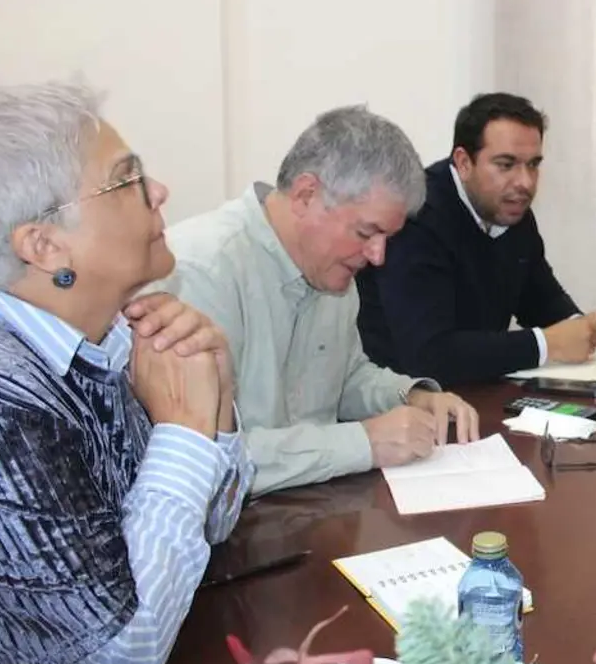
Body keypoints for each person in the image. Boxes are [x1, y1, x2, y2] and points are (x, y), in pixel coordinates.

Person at [0, 82, 254, 664]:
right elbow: (125, 650)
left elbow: (213, 527)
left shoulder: (110, 337)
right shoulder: (9, 401)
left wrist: (213, 399)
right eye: (128, 179)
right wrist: (184, 434)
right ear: (44, 245)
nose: (158, 191)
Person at [154, 105, 478, 496]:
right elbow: (202, 456)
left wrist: (411, 396)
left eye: (386, 239)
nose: (377, 256)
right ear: (306, 195)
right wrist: (364, 442)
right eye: (366, 233)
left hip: (313, 507)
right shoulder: (200, 271)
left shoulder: (332, 269)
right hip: (232, 526)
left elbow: (346, 377)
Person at [355, 92, 596, 387]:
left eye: (533, 164)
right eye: (506, 165)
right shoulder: (416, 216)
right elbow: (429, 355)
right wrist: (548, 344)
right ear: (463, 162)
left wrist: (585, 327)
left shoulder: (510, 210)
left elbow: (539, 298)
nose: (525, 182)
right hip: (398, 400)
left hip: (476, 392)